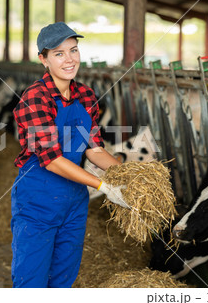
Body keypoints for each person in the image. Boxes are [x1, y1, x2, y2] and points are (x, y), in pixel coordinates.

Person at [11, 22, 129, 288]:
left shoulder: (86, 96)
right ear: (43, 59)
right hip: (37, 201)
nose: (69, 59)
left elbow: (95, 149)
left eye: (73, 50)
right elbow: (52, 160)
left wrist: (127, 176)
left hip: (74, 202)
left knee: (63, 280)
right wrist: (102, 185)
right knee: (32, 280)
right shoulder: (35, 98)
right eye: (59, 53)